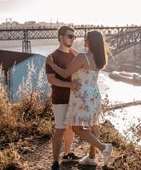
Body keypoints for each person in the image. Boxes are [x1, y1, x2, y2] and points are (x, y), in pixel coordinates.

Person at [46, 30, 112, 167]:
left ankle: (103, 147)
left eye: (86, 38)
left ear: (91, 42)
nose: (83, 40)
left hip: (82, 96)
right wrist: (70, 49)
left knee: (77, 128)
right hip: (94, 95)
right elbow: (80, 60)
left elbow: (65, 73)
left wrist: (52, 65)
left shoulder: (82, 57)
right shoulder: (100, 58)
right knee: (94, 126)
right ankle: (92, 158)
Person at [45, 26, 81, 170]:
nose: (72, 39)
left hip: (73, 99)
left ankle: (67, 154)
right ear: (60, 37)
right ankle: (55, 162)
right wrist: (69, 85)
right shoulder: (52, 57)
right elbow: (51, 80)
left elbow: (83, 59)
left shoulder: (74, 55)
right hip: (60, 99)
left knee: (70, 128)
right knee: (60, 129)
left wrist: (71, 49)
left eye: (74, 37)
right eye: (69, 36)